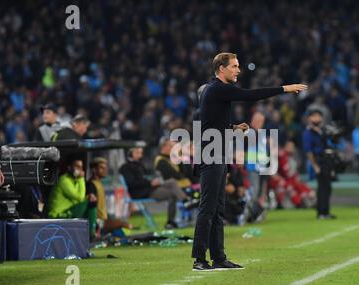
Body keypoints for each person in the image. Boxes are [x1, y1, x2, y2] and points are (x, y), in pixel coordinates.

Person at [191, 52, 307, 271]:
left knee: (217, 209)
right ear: (221, 69)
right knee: (208, 209)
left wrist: (233, 128)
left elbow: (212, 123)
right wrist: (284, 88)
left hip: (218, 153)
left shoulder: (215, 91)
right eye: (234, 66)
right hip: (211, 154)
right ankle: (199, 259)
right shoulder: (218, 88)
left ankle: (218, 257)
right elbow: (251, 95)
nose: (238, 70)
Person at [119, 147, 198, 230]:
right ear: (130, 154)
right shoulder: (125, 168)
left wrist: (153, 181)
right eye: (138, 153)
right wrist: (150, 183)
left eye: (141, 153)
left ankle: (185, 202)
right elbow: (131, 184)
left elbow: (145, 178)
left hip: (149, 188)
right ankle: (172, 220)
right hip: (142, 192)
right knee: (172, 194)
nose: (140, 155)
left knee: (171, 181)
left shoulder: (140, 165)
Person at [47, 157, 97, 239]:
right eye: (77, 166)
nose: (80, 170)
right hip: (58, 215)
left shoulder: (75, 181)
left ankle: (92, 233)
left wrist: (87, 197)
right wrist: (81, 178)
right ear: (69, 167)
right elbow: (80, 198)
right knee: (90, 201)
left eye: (81, 167)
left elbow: (79, 199)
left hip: (69, 211)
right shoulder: (64, 180)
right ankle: (90, 235)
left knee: (92, 201)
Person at [302, 109, 336, 219]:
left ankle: (325, 211)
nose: (317, 119)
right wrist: (315, 165)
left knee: (327, 187)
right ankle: (321, 212)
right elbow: (309, 151)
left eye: (318, 116)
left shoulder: (323, 131)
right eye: (314, 116)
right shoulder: (308, 133)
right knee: (322, 187)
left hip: (326, 161)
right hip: (318, 161)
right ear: (309, 118)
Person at [88, 157, 132, 235]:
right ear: (94, 170)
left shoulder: (99, 183)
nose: (105, 170)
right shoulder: (91, 185)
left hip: (103, 220)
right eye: (102, 168)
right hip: (97, 223)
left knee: (120, 233)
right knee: (124, 225)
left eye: (105, 168)